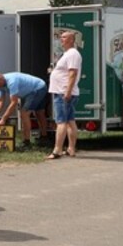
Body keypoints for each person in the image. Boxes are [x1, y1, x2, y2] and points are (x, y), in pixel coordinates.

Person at [0, 72, 48, 147]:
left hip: (38, 88)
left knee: (24, 113)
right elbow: (0, 101)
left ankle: (27, 142)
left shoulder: (12, 81)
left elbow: (14, 102)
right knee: (39, 112)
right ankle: (44, 138)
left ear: (0, 79)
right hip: (32, 90)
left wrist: (3, 119)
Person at [48, 31, 81, 159]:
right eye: (61, 37)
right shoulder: (67, 54)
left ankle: (57, 150)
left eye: (64, 37)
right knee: (70, 121)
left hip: (63, 92)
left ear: (72, 40)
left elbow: (73, 73)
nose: (61, 39)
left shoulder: (73, 54)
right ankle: (71, 149)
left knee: (61, 122)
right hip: (63, 92)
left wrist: (68, 91)